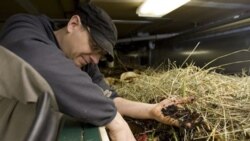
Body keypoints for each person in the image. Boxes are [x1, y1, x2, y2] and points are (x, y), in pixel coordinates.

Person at [0, 3, 193, 141]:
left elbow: (109, 98)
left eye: (100, 56)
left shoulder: (85, 65)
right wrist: (115, 121)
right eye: (94, 46)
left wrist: (149, 110)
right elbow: (41, 61)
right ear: (74, 24)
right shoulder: (26, 26)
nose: (94, 59)